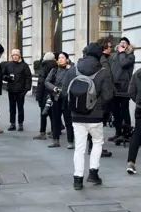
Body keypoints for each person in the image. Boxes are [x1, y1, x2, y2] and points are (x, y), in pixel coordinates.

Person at [62, 43, 113, 190]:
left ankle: (77, 179)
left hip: (77, 115)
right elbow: (108, 95)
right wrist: (97, 106)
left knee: (79, 147)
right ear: (99, 56)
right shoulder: (103, 72)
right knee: (97, 142)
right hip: (95, 116)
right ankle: (93, 173)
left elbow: (65, 92)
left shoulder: (73, 70)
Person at [87, 38, 114, 158]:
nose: (111, 49)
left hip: (90, 97)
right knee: (98, 124)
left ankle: (91, 147)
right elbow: (106, 80)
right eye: (109, 46)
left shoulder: (87, 62)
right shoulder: (102, 61)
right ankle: (95, 148)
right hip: (99, 98)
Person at [45, 52, 74, 148]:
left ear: (67, 59)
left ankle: (70, 141)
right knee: (55, 119)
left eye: (63, 57)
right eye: (59, 58)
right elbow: (47, 81)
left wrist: (72, 68)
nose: (61, 59)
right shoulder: (54, 70)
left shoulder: (72, 69)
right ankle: (55, 140)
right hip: (56, 97)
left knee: (68, 120)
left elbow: (77, 78)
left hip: (67, 98)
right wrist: (54, 88)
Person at [109, 37, 135, 141]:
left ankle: (127, 133)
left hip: (124, 88)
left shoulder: (130, 56)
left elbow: (124, 64)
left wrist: (122, 53)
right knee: (115, 111)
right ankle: (118, 132)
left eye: (124, 43)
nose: (122, 44)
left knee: (124, 111)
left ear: (128, 45)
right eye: (121, 42)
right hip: (115, 87)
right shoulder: (115, 55)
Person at [3, 49, 32, 132]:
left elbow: (28, 77)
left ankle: (20, 124)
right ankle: (12, 123)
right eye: (13, 55)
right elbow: (3, 75)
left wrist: (27, 89)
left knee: (20, 108)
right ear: (11, 56)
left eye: (16, 55)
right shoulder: (8, 65)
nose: (15, 57)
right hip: (11, 90)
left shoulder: (24, 65)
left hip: (21, 91)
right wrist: (7, 78)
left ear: (19, 56)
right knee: (12, 108)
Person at [34, 52, 58, 140]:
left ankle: (42, 133)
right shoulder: (57, 66)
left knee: (43, 113)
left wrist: (38, 96)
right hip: (54, 93)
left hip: (45, 94)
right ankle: (53, 132)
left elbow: (41, 83)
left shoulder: (44, 68)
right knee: (53, 114)